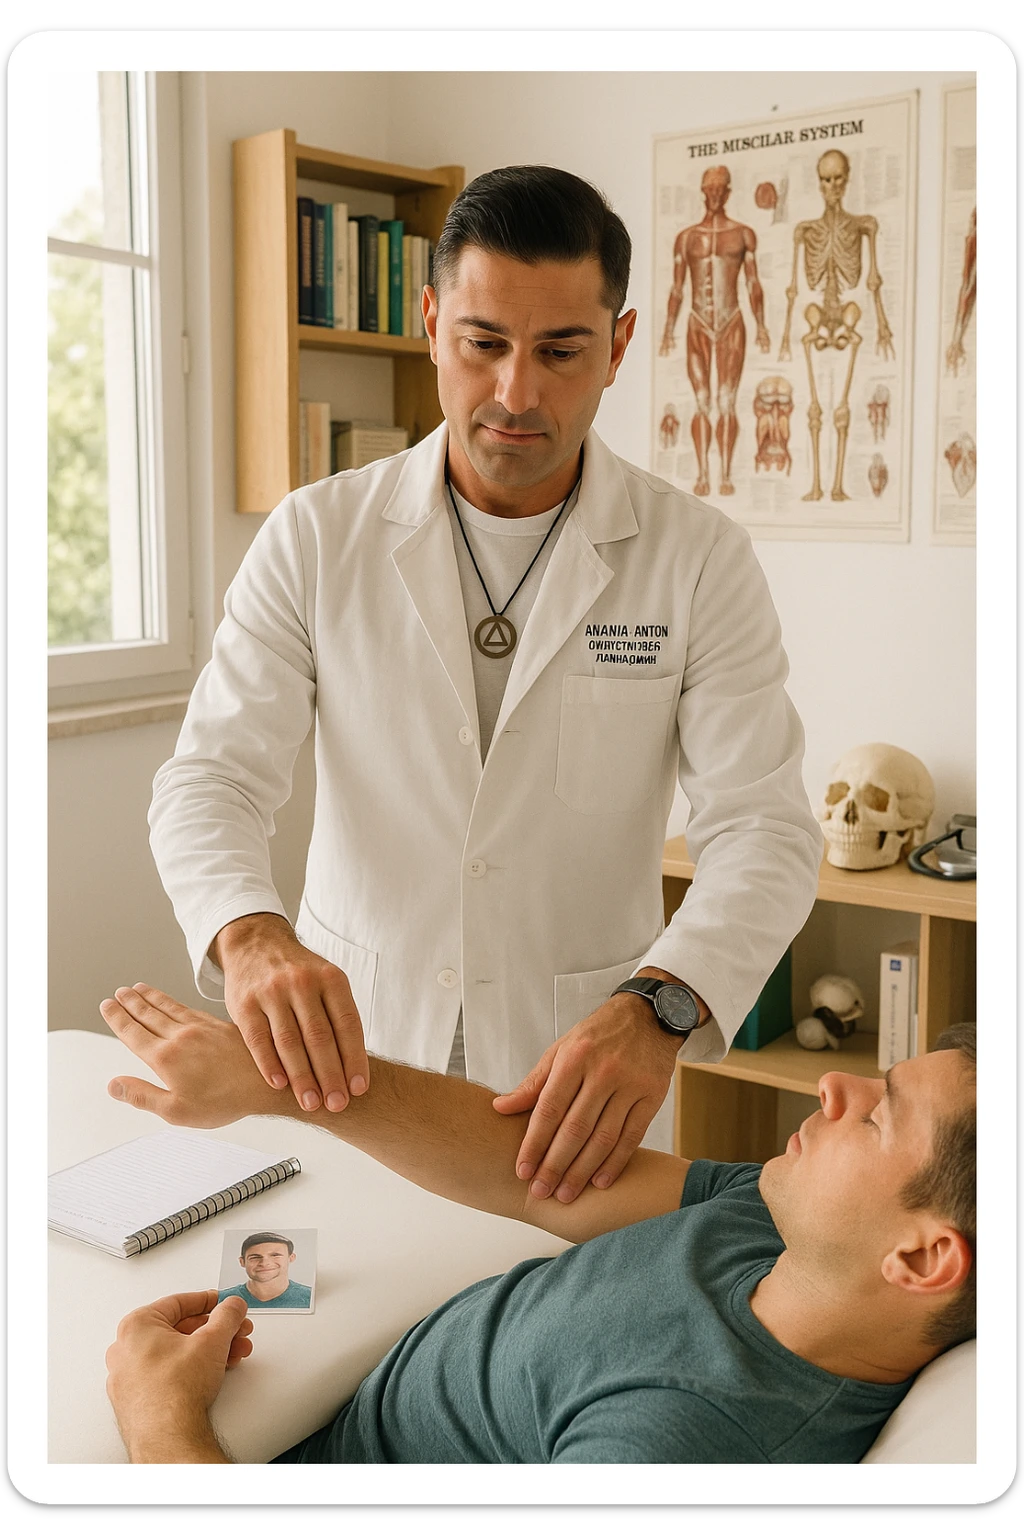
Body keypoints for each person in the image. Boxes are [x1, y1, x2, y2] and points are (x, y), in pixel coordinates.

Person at [149, 164, 822, 1206]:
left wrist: (660, 1008)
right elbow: (211, 779)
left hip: (579, 1072)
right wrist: (250, 937)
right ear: (428, 323)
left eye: (561, 352)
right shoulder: (317, 536)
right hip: (349, 1059)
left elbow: (762, 830)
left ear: (622, 346)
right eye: (483, 344)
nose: (517, 394)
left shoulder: (697, 558)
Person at [101, 985, 975, 1465]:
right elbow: (535, 1178)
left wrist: (160, 1419)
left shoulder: (683, 1445)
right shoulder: (783, 1223)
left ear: (925, 1257)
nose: (836, 1087)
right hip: (318, 1394)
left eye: (877, 1114)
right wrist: (283, 1087)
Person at [658, 164, 770, 496]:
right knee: (702, 401)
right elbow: (677, 289)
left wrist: (762, 325)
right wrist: (668, 330)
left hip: (731, 321)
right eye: (711, 188)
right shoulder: (687, 238)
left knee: (727, 401)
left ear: (729, 192)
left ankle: (725, 474)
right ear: (704, 192)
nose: (716, 194)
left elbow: (753, 283)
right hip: (698, 324)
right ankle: (703, 474)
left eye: (722, 189)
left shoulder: (743, 234)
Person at [218, 1232, 312, 1311]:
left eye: (275, 1255)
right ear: (242, 1262)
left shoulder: (310, 1297)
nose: (264, 1263)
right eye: (255, 1257)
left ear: (291, 1258)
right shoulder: (221, 1299)